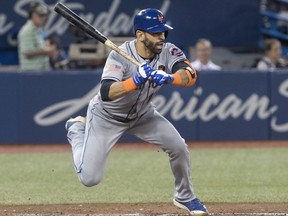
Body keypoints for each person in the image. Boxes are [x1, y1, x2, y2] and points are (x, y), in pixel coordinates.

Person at [65, 8, 208, 216]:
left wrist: (170, 78)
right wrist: (135, 80)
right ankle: (77, 129)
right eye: (156, 33)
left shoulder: (167, 50)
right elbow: (106, 92)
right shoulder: (119, 55)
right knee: (89, 179)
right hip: (107, 117)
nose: (162, 37)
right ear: (140, 35)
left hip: (143, 115)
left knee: (178, 147)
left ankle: (184, 196)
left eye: (163, 32)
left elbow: (190, 75)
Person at [18, 2, 52, 71]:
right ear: (32, 15)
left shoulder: (39, 29)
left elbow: (44, 40)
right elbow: (26, 52)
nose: (43, 18)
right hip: (31, 74)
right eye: (40, 15)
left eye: (44, 15)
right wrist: (46, 51)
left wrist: (47, 44)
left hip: (42, 71)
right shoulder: (27, 31)